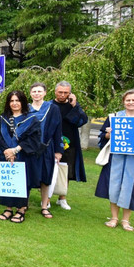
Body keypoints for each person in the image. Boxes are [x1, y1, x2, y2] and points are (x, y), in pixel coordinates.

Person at [95, 90, 134, 232]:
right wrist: (108, 133)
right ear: (123, 101)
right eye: (128, 100)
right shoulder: (114, 118)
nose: (131, 103)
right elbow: (102, 138)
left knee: (130, 188)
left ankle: (126, 220)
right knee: (114, 186)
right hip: (116, 158)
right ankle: (113, 218)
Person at [0, 91, 42, 224]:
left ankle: (21, 209)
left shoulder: (32, 119)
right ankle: (8, 208)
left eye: (17, 100)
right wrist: (7, 151)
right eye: (11, 101)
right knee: (8, 181)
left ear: (23, 102)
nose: (14, 103)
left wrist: (15, 150)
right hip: (5, 155)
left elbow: (34, 139)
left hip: (23, 155)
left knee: (22, 182)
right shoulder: (2, 118)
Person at [51, 81, 89, 210]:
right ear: (55, 92)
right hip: (52, 143)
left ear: (70, 93)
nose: (62, 95)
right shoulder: (49, 105)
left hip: (70, 143)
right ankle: (47, 198)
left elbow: (82, 120)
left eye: (65, 93)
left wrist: (75, 105)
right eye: (60, 92)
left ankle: (62, 198)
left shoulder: (73, 106)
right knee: (49, 170)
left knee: (66, 171)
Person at [29, 82, 63, 219]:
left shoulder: (52, 108)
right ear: (30, 93)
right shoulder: (26, 108)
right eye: (34, 91)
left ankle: (44, 206)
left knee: (45, 177)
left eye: (39, 91)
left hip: (46, 148)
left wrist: (58, 150)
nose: (37, 94)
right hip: (29, 149)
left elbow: (57, 129)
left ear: (45, 93)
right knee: (28, 176)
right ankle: (23, 204)